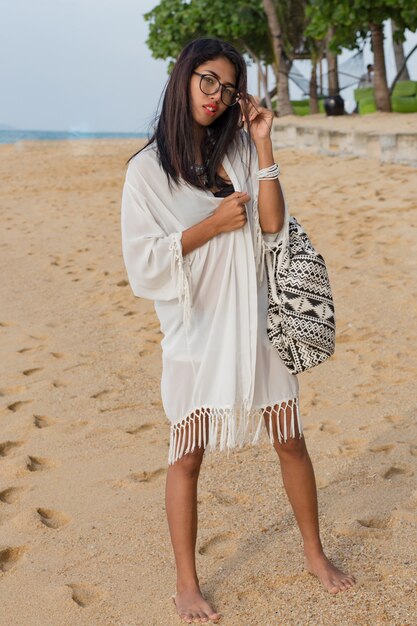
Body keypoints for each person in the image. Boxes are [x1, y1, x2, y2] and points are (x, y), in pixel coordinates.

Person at [121, 37, 356, 624]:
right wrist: (212, 225)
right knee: (187, 456)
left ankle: (314, 554)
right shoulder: (147, 171)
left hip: (254, 318)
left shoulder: (238, 149)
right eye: (207, 81)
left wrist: (263, 140)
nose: (215, 97)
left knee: (290, 438)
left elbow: (272, 222)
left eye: (227, 88)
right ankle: (186, 584)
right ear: (184, 79)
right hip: (195, 329)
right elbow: (142, 263)